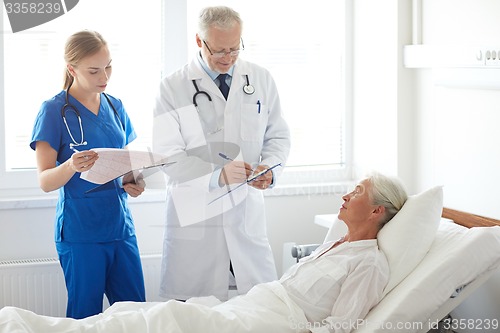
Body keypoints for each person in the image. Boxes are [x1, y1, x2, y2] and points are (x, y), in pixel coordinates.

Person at [0, 172, 408, 333]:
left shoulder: (368, 263)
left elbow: (343, 326)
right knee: (133, 312)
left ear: (376, 211)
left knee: (166, 317)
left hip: (274, 323)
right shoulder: (336, 243)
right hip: (255, 304)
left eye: (356, 192)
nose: (345, 194)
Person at [152, 6, 291, 301]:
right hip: (196, 221)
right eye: (219, 51)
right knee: (194, 315)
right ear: (200, 42)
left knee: (259, 308)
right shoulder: (173, 88)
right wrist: (217, 176)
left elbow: (277, 136)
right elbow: (168, 156)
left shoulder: (260, 79)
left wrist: (269, 170)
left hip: (245, 215)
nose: (228, 58)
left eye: (234, 49)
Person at [29, 30, 146, 319]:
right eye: (94, 70)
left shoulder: (115, 106)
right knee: (85, 318)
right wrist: (70, 165)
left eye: (108, 66)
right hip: (81, 233)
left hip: (120, 228)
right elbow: (44, 181)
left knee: (136, 315)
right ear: (72, 69)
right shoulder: (54, 110)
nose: (104, 75)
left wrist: (135, 181)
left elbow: (124, 163)